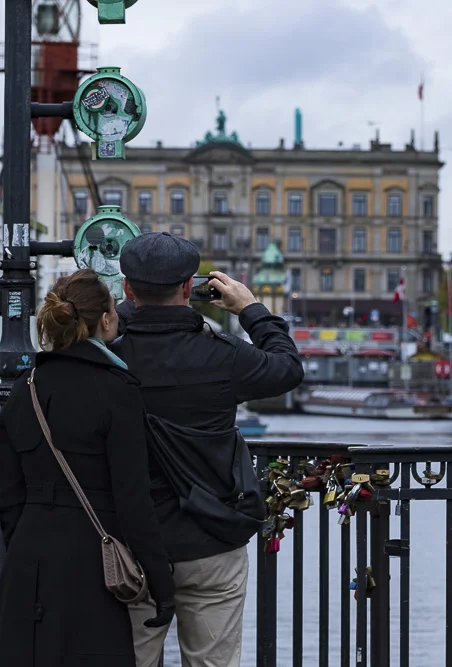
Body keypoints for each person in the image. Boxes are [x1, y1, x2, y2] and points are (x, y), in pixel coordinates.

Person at [111, 232, 304, 667]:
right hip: (210, 538)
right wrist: (251, 310)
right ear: (188, 288)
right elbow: (288, 369)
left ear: (126, 288)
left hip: (129, 543)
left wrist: (129, 308)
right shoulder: (224, 355)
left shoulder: (108, 356)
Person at [0, 268, 176, 667]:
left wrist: (27, 547)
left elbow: (9, 499)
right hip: (90, 561)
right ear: (105, 320)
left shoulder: (25, 388)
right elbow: (132, 499)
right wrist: (161, 581)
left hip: (28, 558)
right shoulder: (116, 391)